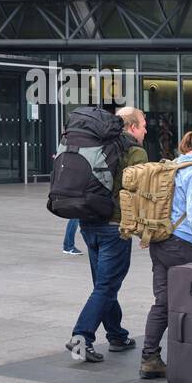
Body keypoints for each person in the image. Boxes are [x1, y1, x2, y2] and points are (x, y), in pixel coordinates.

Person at [138, 124, 192, 379]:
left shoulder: (179, 163)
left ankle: (149, 358)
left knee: (163, 303)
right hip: (183, 244)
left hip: (161, 240)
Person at [65, 106, 149, 362]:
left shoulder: (96, 145)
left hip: (88, 222)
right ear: (132, 126)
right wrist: (144, 228)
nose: (146, 129)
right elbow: (140, 192)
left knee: (104, 284)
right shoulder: (134, 150)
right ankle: (81, 337)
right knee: (107, 286)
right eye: (143, 124)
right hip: (115, 227)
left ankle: (116, 334)